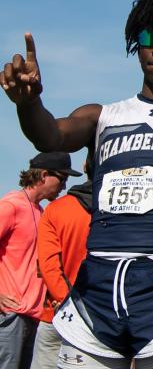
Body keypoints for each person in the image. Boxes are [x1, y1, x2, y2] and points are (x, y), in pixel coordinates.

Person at [1, 0, 153, 369]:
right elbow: (49, 136)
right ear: (136, 47)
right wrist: (28, 103)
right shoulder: (102, 116)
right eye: (148, 38)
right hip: (93, 300)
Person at [0, 152, 76, 369]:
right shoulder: (11, 205)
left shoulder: (41, 212)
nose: (64, 186)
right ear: (44, 175)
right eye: (62, 178)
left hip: (34, 316)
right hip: (10, 316)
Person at [32, 153, 92, 369]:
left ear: (86, 166)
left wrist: (65, 301)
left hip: (56, 314)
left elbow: (48, 266)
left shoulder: (56, 209)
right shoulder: (119, 214)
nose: (64, 186)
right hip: (97, 321)